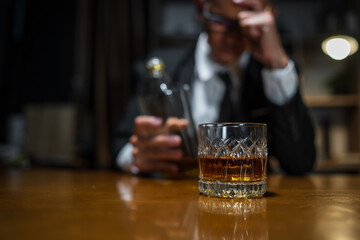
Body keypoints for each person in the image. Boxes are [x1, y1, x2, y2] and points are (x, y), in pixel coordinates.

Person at [112, 0, 316, 176]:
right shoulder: (161, 66)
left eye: (244, 25)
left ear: (268, 16)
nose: (232, 37)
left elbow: (300, 163)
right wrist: (138, 156)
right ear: (201, 9)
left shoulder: (276, 71)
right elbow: (119, 147)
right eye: (221, 21)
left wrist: (276, 64)